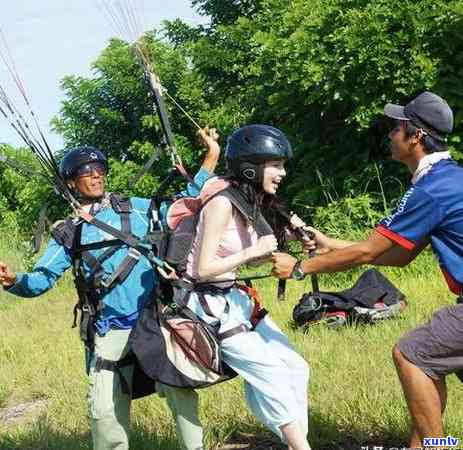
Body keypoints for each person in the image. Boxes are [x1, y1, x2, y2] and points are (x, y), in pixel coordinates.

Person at [0, 128, 220, 450]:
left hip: (154, 322)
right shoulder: (68, 233)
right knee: (104, 412)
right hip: (109, 328)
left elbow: (184, 205)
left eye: (100, 169)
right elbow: (41, 279)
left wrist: (211, 157)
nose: (96, 175)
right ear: (71, 183)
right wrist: (13, 280)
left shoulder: (135, 208)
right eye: (86, 172)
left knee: (180, 391)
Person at [271, 92, 459, 448]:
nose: (390, 134)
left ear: (415, 136)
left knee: (413, 353)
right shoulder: (445, 179)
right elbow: (400, 254)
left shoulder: (432, 189)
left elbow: (369, 252)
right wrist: (331, 245)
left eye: (396, 128)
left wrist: (299, 267)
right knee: (429, 360)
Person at [184, 124, 312, 450]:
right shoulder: (221, 204)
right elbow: (201, 269)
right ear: (250, 167)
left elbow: (245, 260)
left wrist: (275, 250)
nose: (282, 172)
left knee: (296, 368)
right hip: (209, 307)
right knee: (272, 377)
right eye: (276, 165)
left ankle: (295, 441)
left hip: (237, 301)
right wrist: (252, 252)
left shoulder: (249, 201)